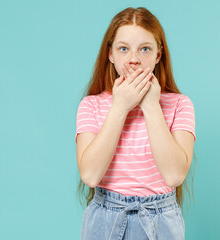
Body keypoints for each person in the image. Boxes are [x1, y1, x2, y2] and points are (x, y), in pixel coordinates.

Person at [75, 7, 196, 240]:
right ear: (110, 54)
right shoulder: (91, 106)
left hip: (160, 221)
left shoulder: (181, 105)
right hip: (105, 219)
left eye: (145, 49)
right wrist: (120, 107)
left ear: (158, 55)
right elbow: (90, 175)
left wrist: (151, 106)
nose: (134, 59)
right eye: (123, 49)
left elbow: (173, 175)